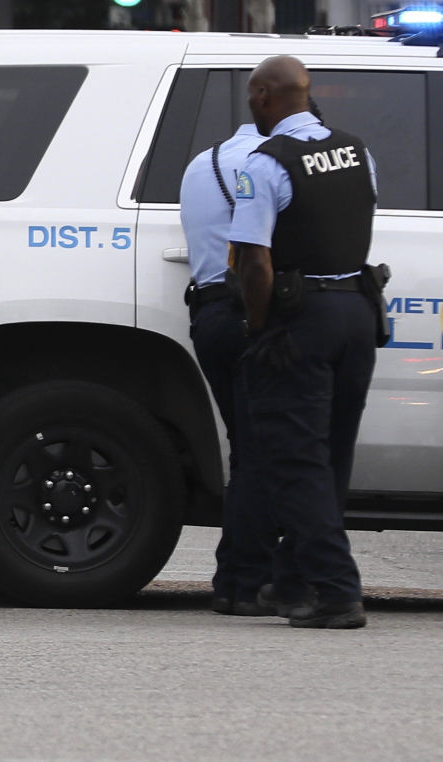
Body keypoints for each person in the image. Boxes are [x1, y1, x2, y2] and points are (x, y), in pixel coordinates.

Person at [228, 55, 380, 630]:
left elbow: (255, 261)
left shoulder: (266, 163)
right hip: (358, 313)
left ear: (266, 96)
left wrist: (262, 327)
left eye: (251, 96)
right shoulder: (357, 149)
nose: (251, 105)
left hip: (302, 318)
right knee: (331, 454)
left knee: (295, 458)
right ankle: (292, 582)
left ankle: (337, 591)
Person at [179, 115, 271, 614]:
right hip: (250, 312)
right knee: (261, 451)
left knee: (248, 447)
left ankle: (237, 575)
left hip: (210, 311)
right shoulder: (270, 164)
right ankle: (245, 580)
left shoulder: (201, 163)